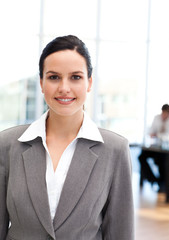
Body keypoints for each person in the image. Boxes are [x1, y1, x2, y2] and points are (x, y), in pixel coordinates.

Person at [0, 35, 134, 240]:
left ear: (89, 82)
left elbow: (120, 233)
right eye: (54, 77)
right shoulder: (7, 145)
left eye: (75, 77)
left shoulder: (115, 150)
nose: (64, 87)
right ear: (41, 83)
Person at [139, 104, 169, 191]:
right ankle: (153, 180)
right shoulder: (157, 118)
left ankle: (163, 184)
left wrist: (159, 135)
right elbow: (151, 132)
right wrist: (157, 135)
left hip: (168, 149)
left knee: (162, 159)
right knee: (141, 156)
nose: (164, 116)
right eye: (163, 113)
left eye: (166, 114)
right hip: (156, 147)